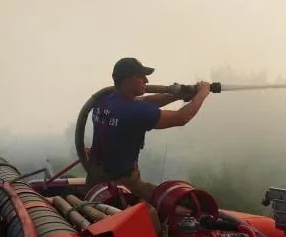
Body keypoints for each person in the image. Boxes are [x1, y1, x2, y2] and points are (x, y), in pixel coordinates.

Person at [84, 57, 211, 202]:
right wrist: (202, 93)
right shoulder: (135, 111)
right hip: (123, 185)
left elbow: (145, 101)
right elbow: (181, 118)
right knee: (171, 206)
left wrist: (177, 95)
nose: (146, 80)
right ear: (127, 80)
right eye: (140, 76)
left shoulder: (103, 100)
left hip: (95, 180)